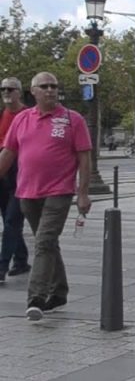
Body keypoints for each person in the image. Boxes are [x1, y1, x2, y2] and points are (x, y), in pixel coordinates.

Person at [0, 72, 90, 320]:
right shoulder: (22, 119)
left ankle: (36, 298)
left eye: (54, 86)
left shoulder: (72, 119)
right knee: (47, 243)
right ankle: (59, 292)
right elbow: (8, 152)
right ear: (33, 91)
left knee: (44, 241)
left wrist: (83, 193)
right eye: (44, 86)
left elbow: (84, 158)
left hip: (59, 192)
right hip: (27, 193)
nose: (50, 90)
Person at [0, 77, 30, 284]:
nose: (6, 92)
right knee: (8, 219)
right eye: (3, 89)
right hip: (3, 172)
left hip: (21, 173)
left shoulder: (28, 116)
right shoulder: (1, 114)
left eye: (10, 89)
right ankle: (21, 259)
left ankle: (1, 267)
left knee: (12, 220)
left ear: (19, 92)